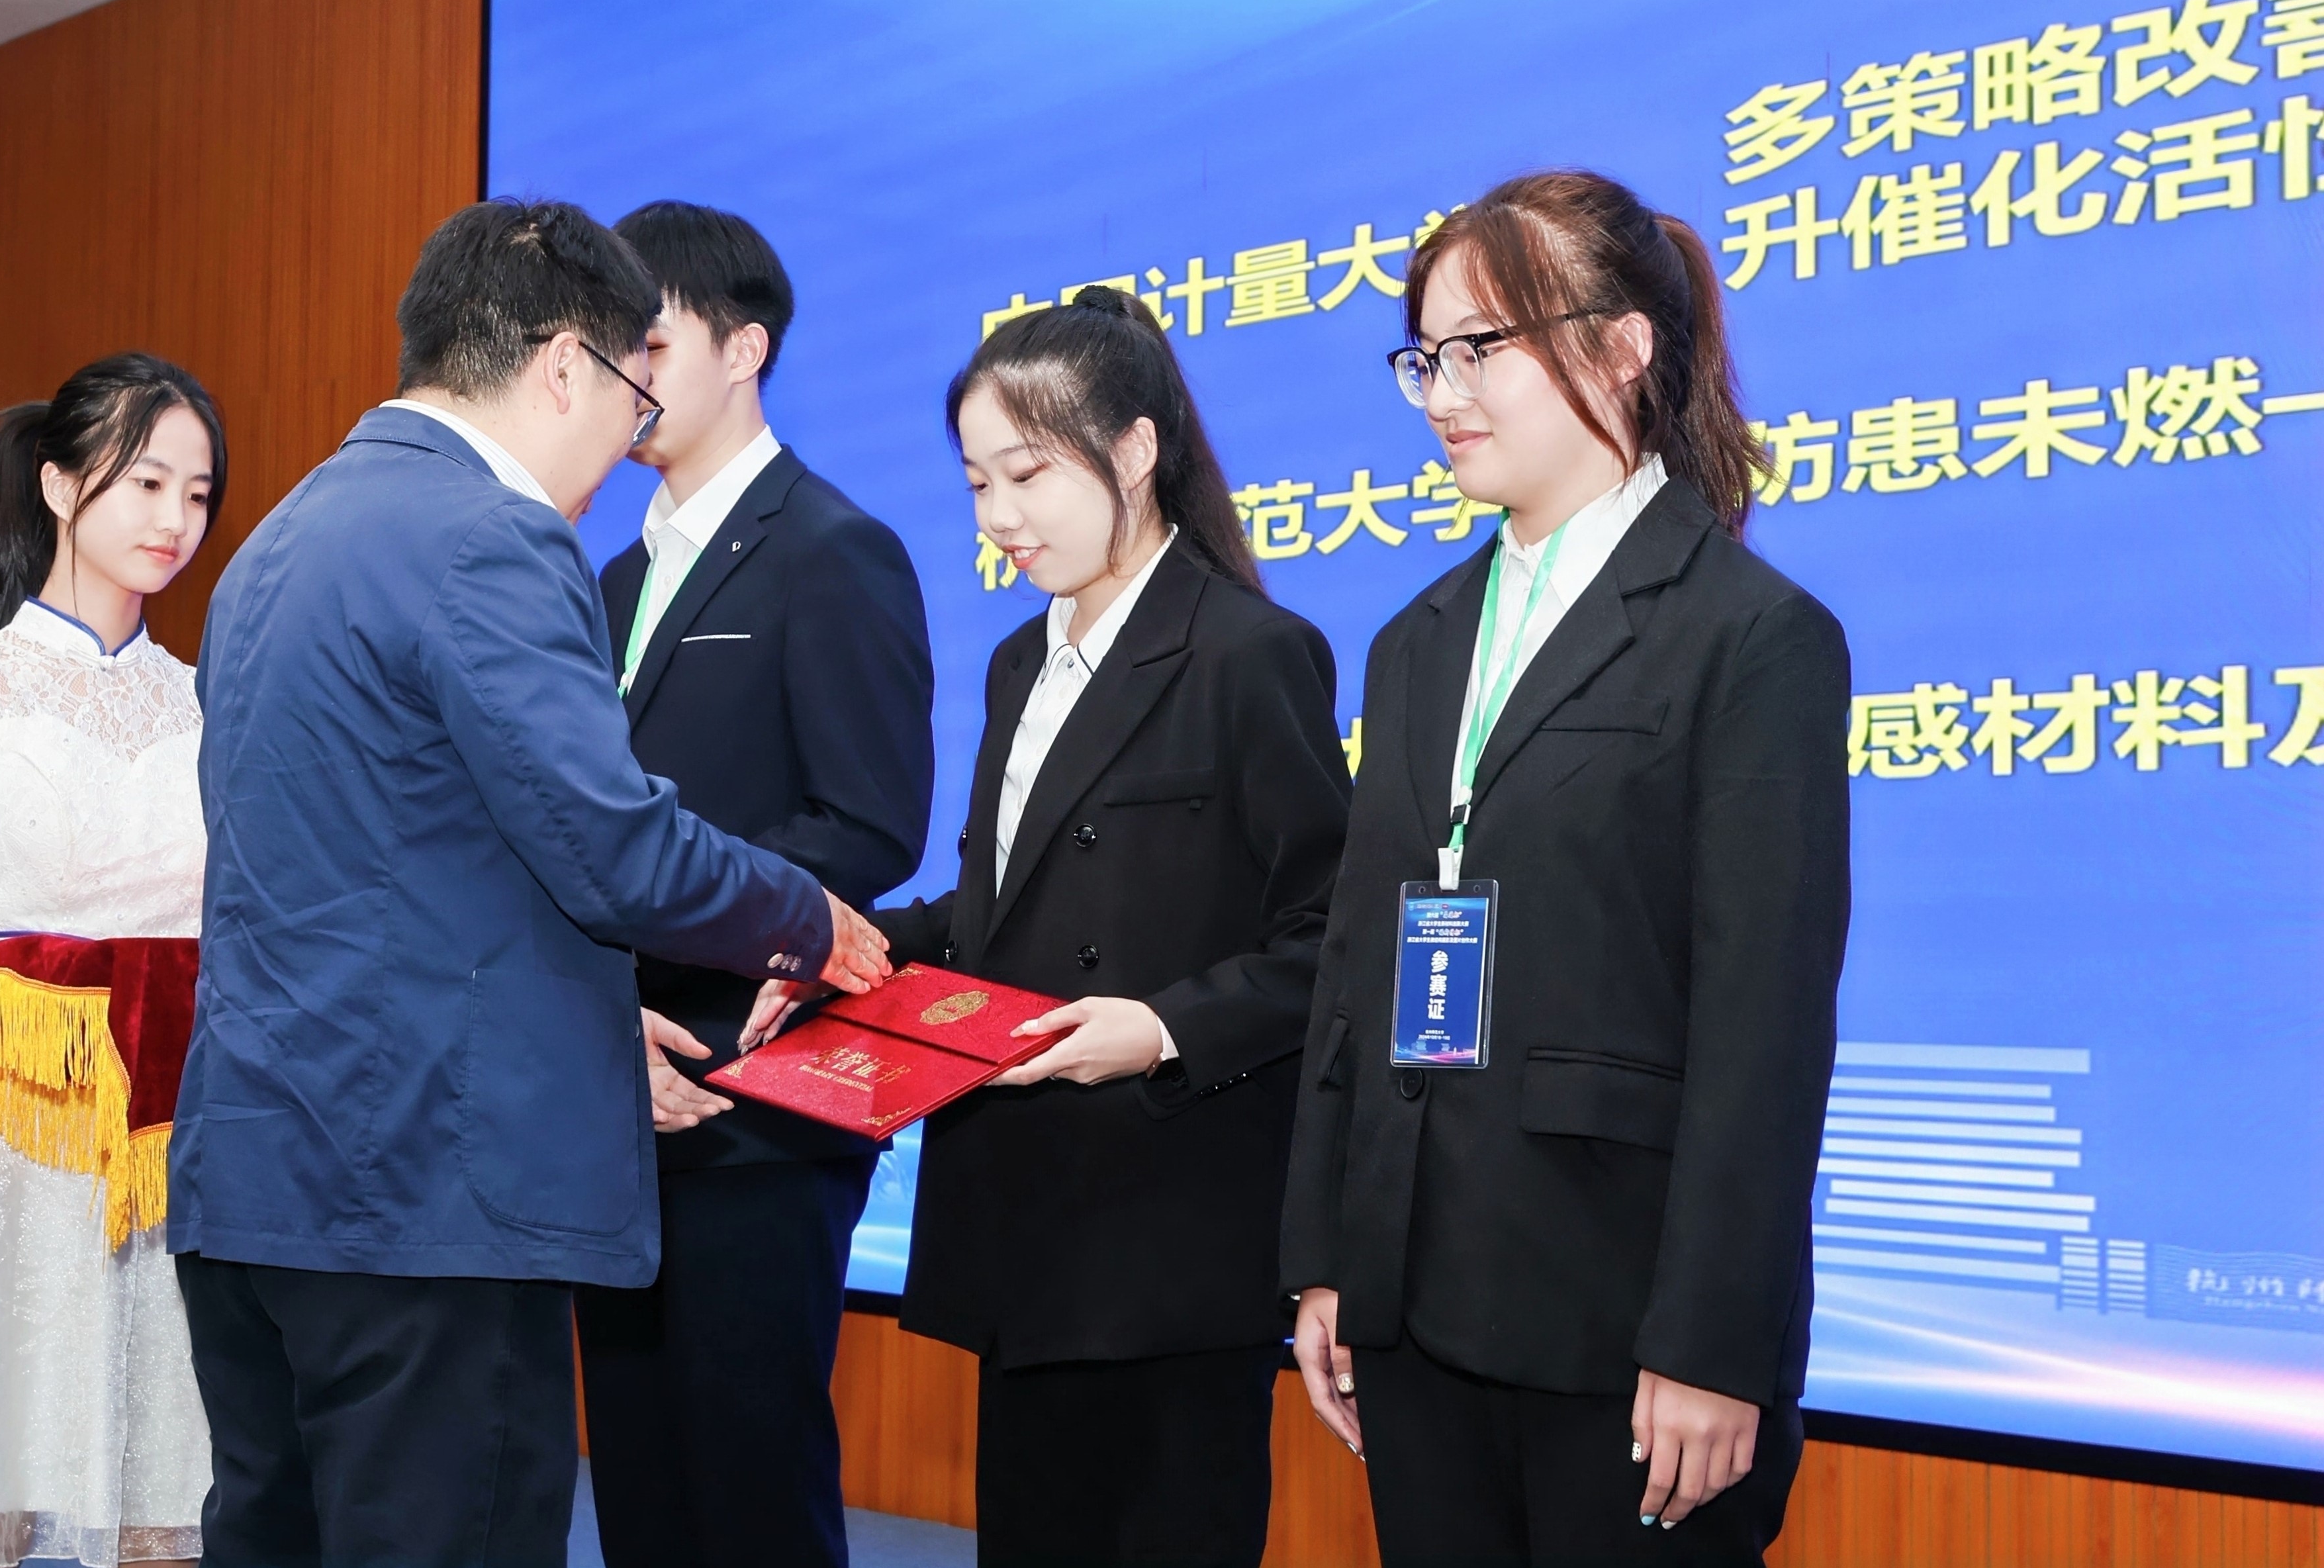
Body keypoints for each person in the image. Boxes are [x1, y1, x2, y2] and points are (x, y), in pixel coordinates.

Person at [166, 199, 892, 1567]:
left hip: (258, 1180)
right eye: (629, 395)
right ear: (565, 365)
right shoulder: (485, 536)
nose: (628, 440)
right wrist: (808, 919)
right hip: (431, 1199)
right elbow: (611, 844)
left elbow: (396, 864)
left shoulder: (277, 539)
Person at [1279, 169, 1851, 1567]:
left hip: (1622, 1319)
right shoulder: (1415, 639)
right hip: (1412, 1301)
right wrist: (1326, 1257)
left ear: (1619, 347)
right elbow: (1357, 966)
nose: (1441, 392)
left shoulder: (1748, 636)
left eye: (1481, 347)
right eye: (1424, 355)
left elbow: (1763, 1027)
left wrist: (1713, 1342)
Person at [751, 285, 1352, 1568]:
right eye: (976, 484)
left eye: (1025, 475)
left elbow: (1334, 936)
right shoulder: (1019, 662)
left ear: (1134, 451)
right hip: (1027, 1214)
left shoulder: (1248, 653)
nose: (997, 518)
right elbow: (999, 911)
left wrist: (1162, 1029)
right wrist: (840, 946)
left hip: (1170, 1222)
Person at [576, 201, 934, 1568]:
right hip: (615, 1085)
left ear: (744, 348)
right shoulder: (608, 578)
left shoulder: (831, 549)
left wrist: (684, 932)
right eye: (611, 344)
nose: (626, 372)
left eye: (653, 341)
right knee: (639, 1486)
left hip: (758, 1095)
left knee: (750, 1481)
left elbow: (868, 823)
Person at [0, 353, 228, 1568]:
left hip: (162, 1148)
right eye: (147, 483)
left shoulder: (207, 705)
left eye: (198, 494)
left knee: (169, 1514)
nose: (175, 520)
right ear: (62, 486)